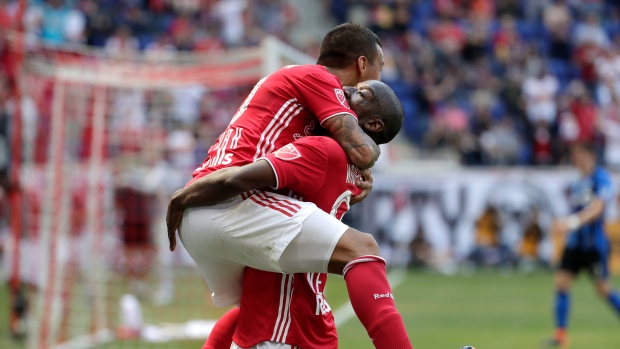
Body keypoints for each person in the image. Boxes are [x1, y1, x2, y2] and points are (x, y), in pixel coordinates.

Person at [168, 80, 412, 348]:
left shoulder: (321, 149)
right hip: (304, 320)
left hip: (282, 326)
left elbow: (236, 179)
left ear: (374, 125)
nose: (345, 91)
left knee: (363, 248)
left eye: (360, 93)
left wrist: (184, 196)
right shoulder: (352, 172)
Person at [548, 142, 620, 347]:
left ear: (590, 155)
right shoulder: (578, 182)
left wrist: (571, 223)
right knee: (561, 283)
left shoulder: (601, 178)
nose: (575, 159)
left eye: (579, 155)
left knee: (603, 290)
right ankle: (560, 335)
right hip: (574, 244)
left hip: (593, 245)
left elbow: (598, 207)